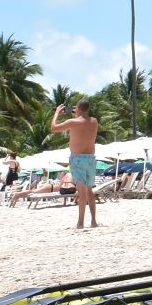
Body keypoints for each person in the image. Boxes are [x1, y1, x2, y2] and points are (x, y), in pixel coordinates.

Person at [48, 98, 102, 229]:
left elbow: (53, 128)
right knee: (89, 190)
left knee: (82, 191)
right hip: (90, 158)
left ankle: (80, 223)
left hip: (77, 159)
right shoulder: (94, 122)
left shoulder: (72, 122)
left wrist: (56, 113)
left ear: (77, 108)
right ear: (87, 109)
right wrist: (78, 113)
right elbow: (84, 121)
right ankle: (94, 221)